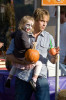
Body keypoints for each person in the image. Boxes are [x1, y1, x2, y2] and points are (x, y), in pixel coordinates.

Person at [6, 8, 59, 100]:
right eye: (42, 21)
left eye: (46, 21)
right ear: (35, 20)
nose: (45, 24)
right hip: (23, 76)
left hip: (41, 76)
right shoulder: (20, 34)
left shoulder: (49, 38)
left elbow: (53, 61)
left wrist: (55, 56)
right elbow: (9, 55)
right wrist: (23, 62)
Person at [5, 15, 42, 90]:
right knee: (39, 64)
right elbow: (26, 45)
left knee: (15, 66)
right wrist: (31, 46)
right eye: (28, 25)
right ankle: (34, 79)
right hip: (23, 57)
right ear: (22, 24)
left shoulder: (17, 32)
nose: (29, 27)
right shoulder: (24, 34)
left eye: (31, 26)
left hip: (16, 55)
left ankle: (9, 78)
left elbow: (12, 35)